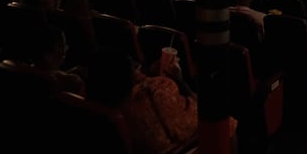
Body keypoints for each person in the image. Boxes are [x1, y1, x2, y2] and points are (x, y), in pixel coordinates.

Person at [85, 46, 237, 154]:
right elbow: (196, 117)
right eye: (134, 67)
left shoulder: (94, 104)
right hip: (181, 147)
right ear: (128, 75)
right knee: (227, 123)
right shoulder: (153, 92)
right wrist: (180, 82)